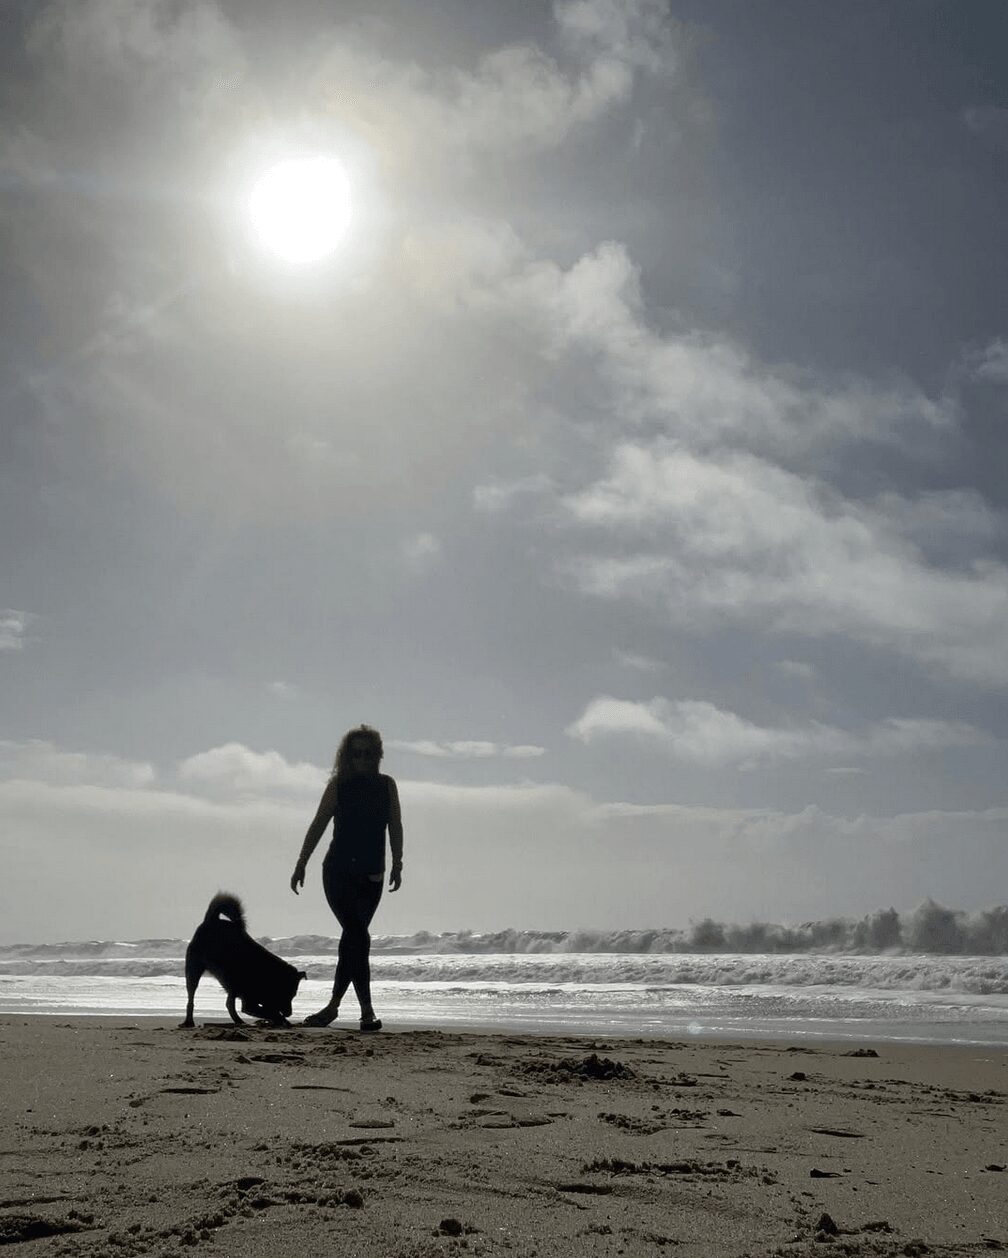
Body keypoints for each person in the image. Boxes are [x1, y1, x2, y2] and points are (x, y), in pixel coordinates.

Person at [291, 724, 403, 1031]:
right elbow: (318, 825)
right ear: (347, 757)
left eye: (369, 754)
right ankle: (366, 1011)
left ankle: (333, 1007)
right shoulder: (338, 785)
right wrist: (302, 862)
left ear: (378, 756)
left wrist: (399, 863)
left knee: (354, 940)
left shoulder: (386, 786)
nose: (363, 760)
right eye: (357, 754)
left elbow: (395, 824)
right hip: (338, 873)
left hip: (372, 875)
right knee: (357, 935)